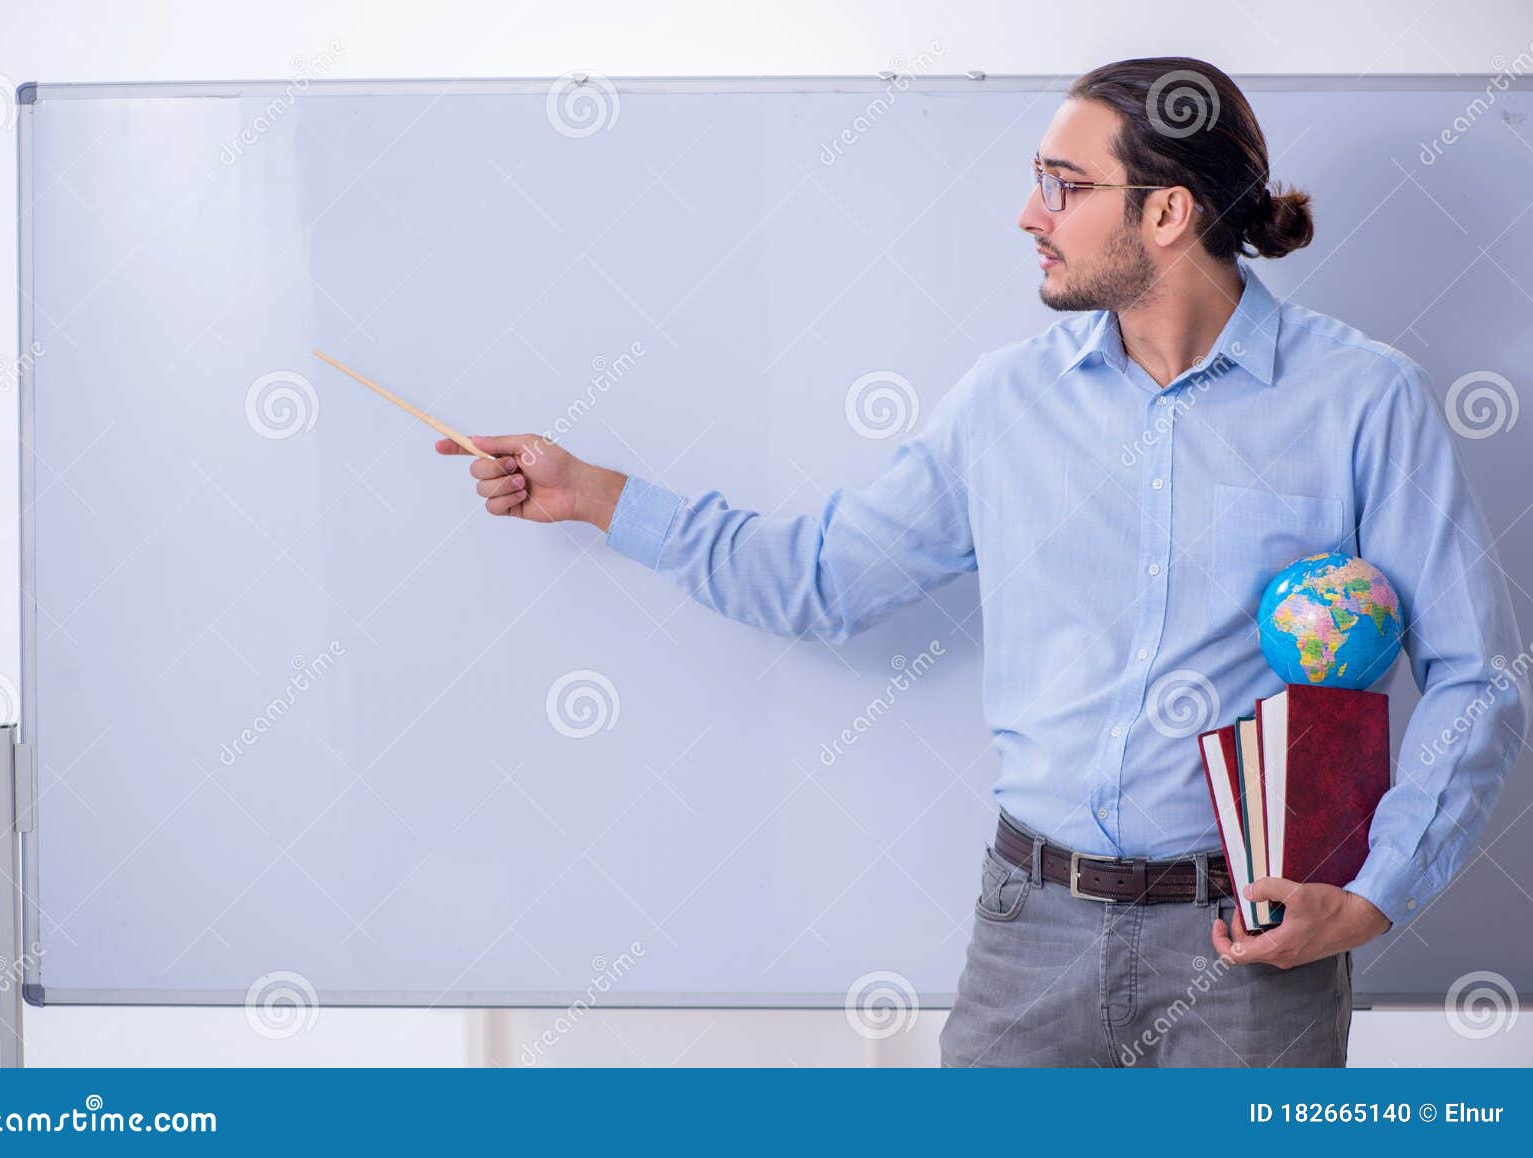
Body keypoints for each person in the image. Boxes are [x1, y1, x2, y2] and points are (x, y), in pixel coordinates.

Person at [437, 57, 1526, 1066]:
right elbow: (821, 579)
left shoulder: (1358, 400)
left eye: (1063, 186)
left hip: (1250, 946)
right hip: (1027, 938)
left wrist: (1373, 896)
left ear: (1165, 212)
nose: (1027, 215)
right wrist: (590, 493)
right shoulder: (1004, 403)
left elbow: (1474, 675)